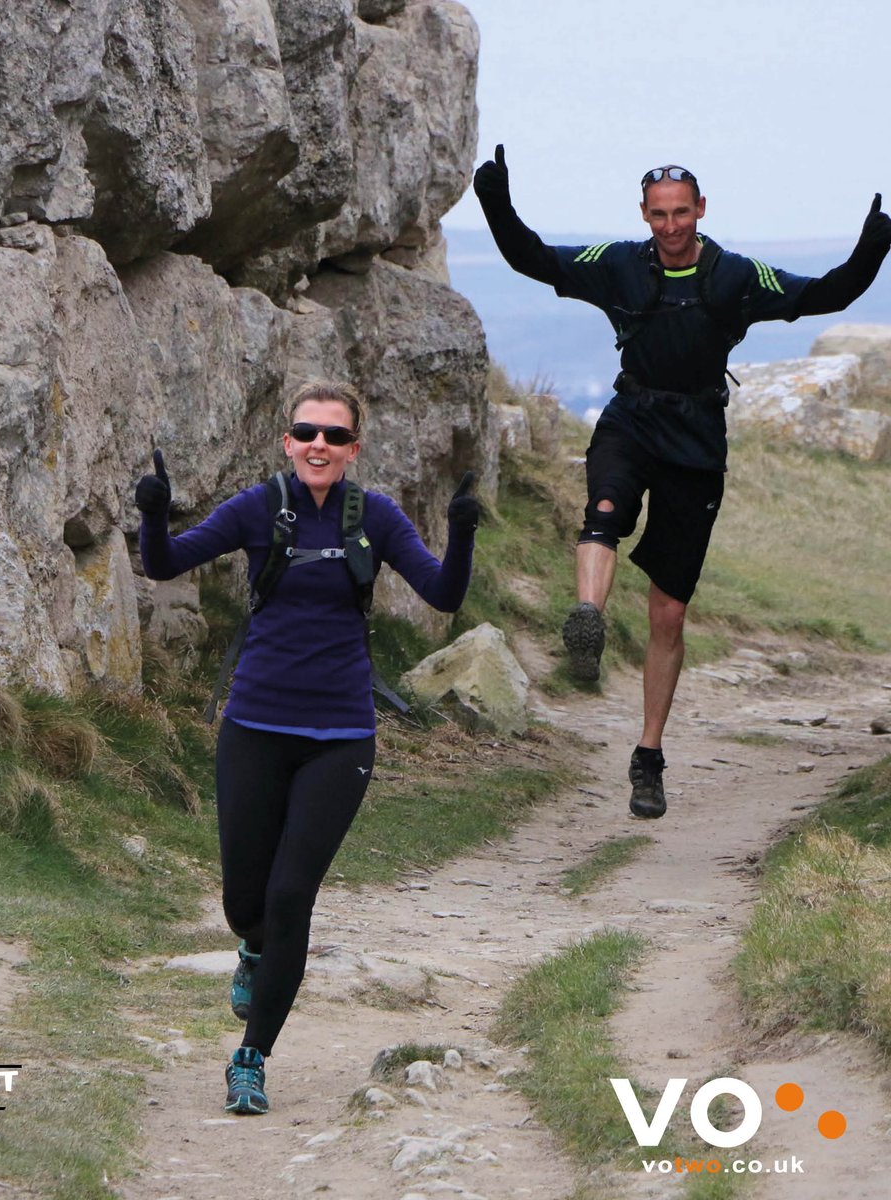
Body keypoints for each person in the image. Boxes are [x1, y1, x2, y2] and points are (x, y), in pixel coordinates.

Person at [472, 146, 891, 820]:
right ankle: (588, 619)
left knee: (668, 613)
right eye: (659, 215)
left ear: (700, 210)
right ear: (644, 215)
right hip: (631, 418)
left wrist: (872, 247)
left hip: (696, 442)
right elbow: (534, 259)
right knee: (603, 513)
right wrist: (495, 200)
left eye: (681, 213)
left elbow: (824, 294)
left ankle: (649, 756)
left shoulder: (735, 277)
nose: (670, 226)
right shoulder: (618, 264)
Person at [135, 380, 478, 1114]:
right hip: (255, 727)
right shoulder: (258, 507)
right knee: (245, 902)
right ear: (288, 442)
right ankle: (253, 949)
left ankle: (251, 1058)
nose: (320, 444)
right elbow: (164, 564)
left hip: (341, 734)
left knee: (291, 896)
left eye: (335, 435)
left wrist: (462, 532)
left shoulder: (375, 517)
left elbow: (443, 595)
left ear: (354, 448)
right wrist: (153, 515)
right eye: (307, 432)